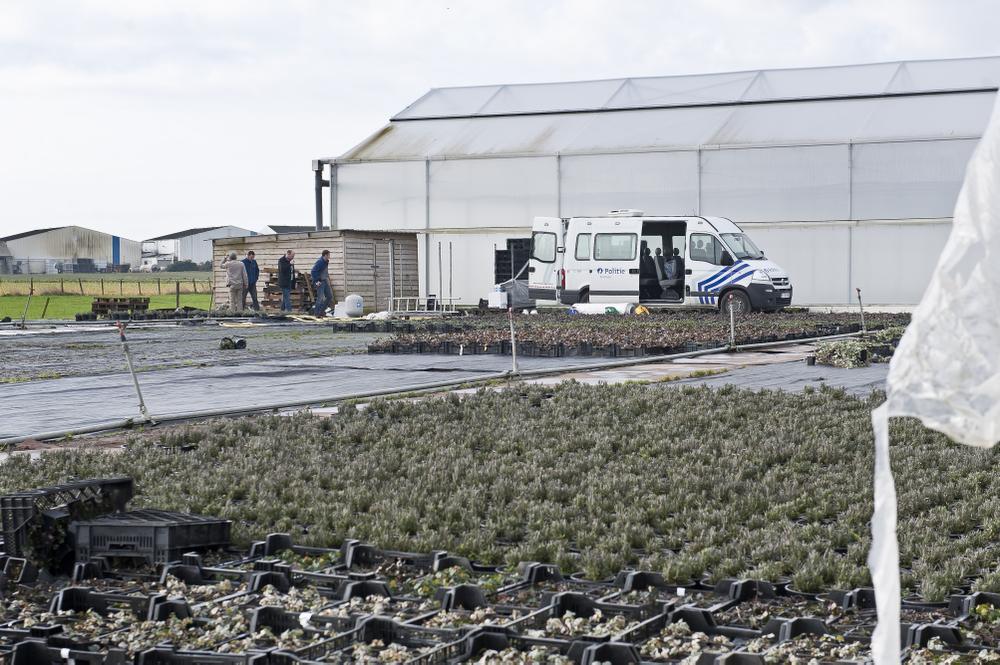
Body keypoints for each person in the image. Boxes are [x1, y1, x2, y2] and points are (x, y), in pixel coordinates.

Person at [311, 249, 333, 316]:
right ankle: (316, 313)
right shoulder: (320, 262)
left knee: (329, 296)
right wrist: (317, 280)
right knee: (320, 298)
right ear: (325, 255)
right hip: (320, 282)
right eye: (329, 255)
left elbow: (325, 272)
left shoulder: (326, 262)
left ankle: (321, 311)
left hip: (325, 281)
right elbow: (313, 271)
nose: (329, 256)